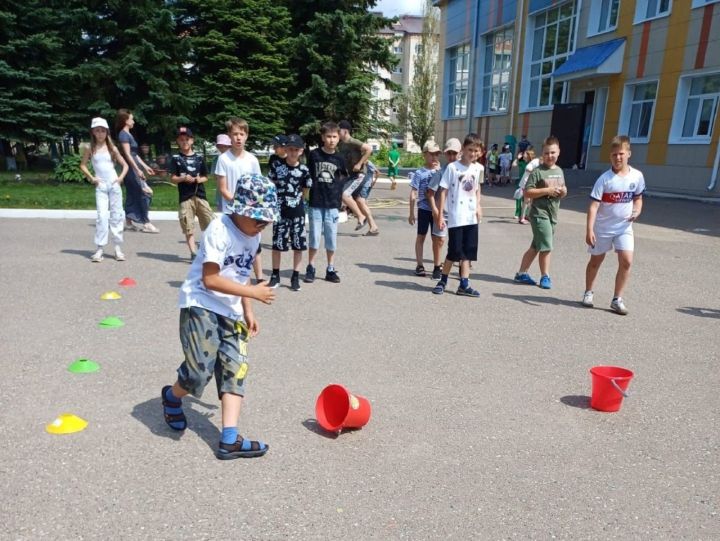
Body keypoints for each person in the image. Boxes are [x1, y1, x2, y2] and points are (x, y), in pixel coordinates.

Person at [160, 173, 277, 460]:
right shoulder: (219, 229)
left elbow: (242, 272)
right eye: (257, 219)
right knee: (199, 371)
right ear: (239, 210)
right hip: (201, 303)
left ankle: (229, 439)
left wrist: (248, 309)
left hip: (232, 309)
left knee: (236, 368)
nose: (262, 225)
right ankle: (172, 397)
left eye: (267, 221)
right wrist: (252, 293)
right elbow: (211, 279)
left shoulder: (253, 235)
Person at [582, 135, 645, 315]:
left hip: (624, 227)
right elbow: (593, 206)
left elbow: (638, 198)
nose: (618, 158)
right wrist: (589, 230)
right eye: (614, 155)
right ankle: (588, 292)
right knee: (596, 261)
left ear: (628, 154)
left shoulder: (637, 176)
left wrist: (637, 210)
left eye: (621, 154)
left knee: (626, 261)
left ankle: (617, 299)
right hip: (602, 228)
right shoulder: (604, 179)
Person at [431, 134, 484, 297]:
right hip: (456, 217)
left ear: (480, 152)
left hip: (471, 217)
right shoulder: (453, 168)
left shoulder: (478, 169)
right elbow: (443, 191)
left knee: (468, 252)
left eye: (476, 151)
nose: (473, 154)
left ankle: (464, 284)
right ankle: (443, 280)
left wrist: (478, 205)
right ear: (463, 150)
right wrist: (440, 215)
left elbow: (477, 189)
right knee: (454, 252)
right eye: (470, 150)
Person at [215, 117, 265, 283]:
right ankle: (230, 278)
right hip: (231, 211)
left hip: (249, 210)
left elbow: (258, 186)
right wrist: (238, 205)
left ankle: (259, 277)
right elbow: (223, 188)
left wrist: (252, 207)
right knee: (231, 245)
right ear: (229, 135)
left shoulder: (252, 160)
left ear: (246, 136)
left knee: (253, 243)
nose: (238, 137)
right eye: (235, 134)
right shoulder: (223, 159)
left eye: (241, 134)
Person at [513, 136, 567, 289]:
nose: (550, 156)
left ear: (558, 152)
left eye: (552, 153)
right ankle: (545, 276)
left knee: (536, 246)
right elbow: (528, 192)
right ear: (542, 154)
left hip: (552, 215)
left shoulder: (559, 171)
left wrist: (563, 191)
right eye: (546, 153)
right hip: (538, 214)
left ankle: (521, 273)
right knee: (546, 246)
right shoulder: (538, 172)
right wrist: (547, 190)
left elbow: (563, 189)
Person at [79, 117, 129, 262]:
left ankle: (117, 248)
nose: (100, 134)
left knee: (117, 215)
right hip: (100, 186)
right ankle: (99, 249)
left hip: (113, 185)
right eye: (97, 131)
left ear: (107, 132)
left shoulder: (112, 148)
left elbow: (125, 165)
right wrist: (92, 178)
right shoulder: (90, 148)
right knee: (102, 216)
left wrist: (120, 178)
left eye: (102, 131)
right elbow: (82, 165)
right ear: (93, 132)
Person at [267, 134, 312, 291]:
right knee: (277, 244)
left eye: (296, 150)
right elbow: (270, 184)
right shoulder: (277, 167)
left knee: (298, 245)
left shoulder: (304, 170)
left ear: (301, 151)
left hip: (297, 212)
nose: (293, 152)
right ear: (286, 149)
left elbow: (306, 189)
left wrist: (299, 200)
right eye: (290, 149)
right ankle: (275, 275)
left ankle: (295, 276)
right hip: (280, 211)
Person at [305, 121, 348, 284]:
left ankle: (330, 268)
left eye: (334, 137)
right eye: (328, 136)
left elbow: (343, 177)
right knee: (314, 237)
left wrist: (339, 195)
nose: (331, 140)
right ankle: (311, 266)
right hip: (316, 202)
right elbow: (307, 175)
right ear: (323, 137)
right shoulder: (314, 155)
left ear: (339, 138)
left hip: (332, 204)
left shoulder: (339, 158)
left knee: (331, 237)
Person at [169, 127, 216, 259]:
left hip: (200, 195)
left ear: (192, 140)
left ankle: (207, 248)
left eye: (187, 139)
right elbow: (172, 178)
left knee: (210, 222)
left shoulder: (199, 158)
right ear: (178, 141)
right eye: (181, 139)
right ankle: (193, 252)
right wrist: (183, 178)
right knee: (188, 225)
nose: (185, 142)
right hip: (185, 197)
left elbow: (206, 176)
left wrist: (198, 179)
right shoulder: (176, 158)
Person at [115, 109, 159, 233]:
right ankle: (146, 223)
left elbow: (135, 155)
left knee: (132, 193)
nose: (133, 121)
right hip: (130, 169)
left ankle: (129, 222)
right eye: (131, 119)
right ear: (125, 120)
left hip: (134, 167)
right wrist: (136, 170)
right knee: (145, 193)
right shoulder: (123, 135)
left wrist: (145, 167)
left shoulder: (128, 134)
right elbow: (128, 155)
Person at [426, 138, 460, 280]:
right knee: (439, 240)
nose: (452, 157)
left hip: (458, 213)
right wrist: (435, 210)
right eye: (449, 153)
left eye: (455, 153)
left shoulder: (463, 171)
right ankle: (437, 266)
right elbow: (430, 193)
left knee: (458, 241)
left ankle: (462, 268)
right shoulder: (440, 173)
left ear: (460, 153)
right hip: (443, 212)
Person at [337, 120, 377, 234]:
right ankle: (373, 227)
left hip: (359, 175)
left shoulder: (352, 141)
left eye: (338, 131)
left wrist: (360, 163)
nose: (337, 134)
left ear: (345, 131)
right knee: (360, 201)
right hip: (352, 175)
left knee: (344, 194)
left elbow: (369, 149)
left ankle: (361, 217)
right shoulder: (341, 145)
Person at [408, 140, 441, 277]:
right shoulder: (419, 173)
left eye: (436, 154)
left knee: (437, 239)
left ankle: (436, 266)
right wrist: (411, 213)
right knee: (421, 236)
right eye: (431, 154)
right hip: (423, 209)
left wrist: (439, 171)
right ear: (424, 155)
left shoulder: (441, 171)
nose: (434, 157)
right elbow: (413, 193)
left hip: (437, 210)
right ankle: (420, 264)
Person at [514, 148, 538, 224]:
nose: (523, 156)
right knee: (527, 201)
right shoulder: (531, 163)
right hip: (526, 184)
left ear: (529, 155)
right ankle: (522, 218)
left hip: (529, 183)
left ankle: (526, 216)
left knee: (530, 201)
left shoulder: (534, 162)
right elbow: (528, 169)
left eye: (525, 154)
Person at [213, 133, 232, 211]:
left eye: (225, 146)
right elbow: (215, 176)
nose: (222, 148)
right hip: (221, 191)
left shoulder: (233, 158)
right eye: (220, 146)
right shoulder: (216, 159)